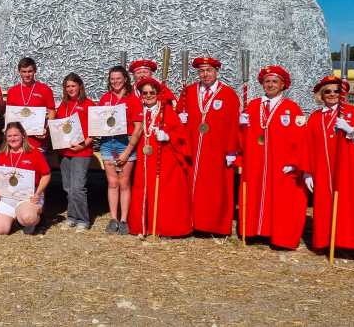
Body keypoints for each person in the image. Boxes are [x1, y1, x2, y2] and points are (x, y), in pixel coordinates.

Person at [306, 76, 354, 259]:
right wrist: (307, 172)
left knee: (353, 208)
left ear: (343, 93)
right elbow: (307, 145)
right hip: (325, 173)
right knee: (326, 207)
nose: (332, 94)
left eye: (336, 91)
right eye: (327, 91)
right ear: (321, 95)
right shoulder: (316, 118)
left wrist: (352, 131)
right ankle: (331, 242)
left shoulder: (353, 113)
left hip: (350, 172)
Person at [238, 65, 309, 249]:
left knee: (280, 199)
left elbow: (300, 138)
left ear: (283, 85)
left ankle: (278, 236)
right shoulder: (253, 105)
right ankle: (253, 231)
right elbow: (241, 137)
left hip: (280, 163)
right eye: (267, 81)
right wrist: (242, 126)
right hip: (256, 162)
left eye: (274, 81)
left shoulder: (291, 108)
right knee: (254, 194)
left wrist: (294, 162)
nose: (270, 85)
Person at [119, 77, 192, 237]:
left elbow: (181, 136)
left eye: (152, 92)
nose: (148, 95)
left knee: (163, 193)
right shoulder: (139, 111)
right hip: (144, 160)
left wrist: (168, 136)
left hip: (165, 160)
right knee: (142, 190)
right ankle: (143, 226)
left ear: (158, 93)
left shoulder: (167, 111)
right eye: (144, 93)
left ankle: (164, 228)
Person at [177, 57, 240, 235]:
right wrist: (180, 119)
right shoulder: (188, 92)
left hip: (216, 150)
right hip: (193, 147)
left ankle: (213, 225)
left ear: (216, 71)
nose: (205, 74)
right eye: (202, 71)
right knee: (191, 186)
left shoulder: (228, 94)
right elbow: (178, 119)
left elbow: (233, 124)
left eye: (209, 70)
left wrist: (231, 150)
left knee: (214, 188)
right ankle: (192, 223)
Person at [97, 66, 141, 234]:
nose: (115, 81)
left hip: (125, 144)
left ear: (125, 79)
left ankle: (124, 220)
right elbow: (98, 123)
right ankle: (113, 218)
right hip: (108, 144)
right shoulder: (105, 98)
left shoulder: (132, 99)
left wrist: (127, 151)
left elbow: (138, 127)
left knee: (124, 183)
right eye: (112, 79)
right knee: (113, 183)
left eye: (118, 78)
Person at [0, 122, 51, 235]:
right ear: (6, 138)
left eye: (16, 135)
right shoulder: (2, 154)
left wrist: (38, 193)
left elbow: (46, 174)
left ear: (23, 135)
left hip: (27, 197)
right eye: (9, 136)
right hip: (6, 197)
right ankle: (14, 219)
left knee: (28, 218)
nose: (13, 138)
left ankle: (25, 219)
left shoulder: (34, 152)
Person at [56, 73, 94, 231]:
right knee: (68, 187)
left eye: (73, 85)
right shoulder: (63, 105)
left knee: (78, 187)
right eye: (67, 86)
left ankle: (83, 219)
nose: (70, 89)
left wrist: (83, 145)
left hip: (81, 152)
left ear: (80, 86)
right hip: (65, 153)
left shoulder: (88, 104)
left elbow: (94, 130)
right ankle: (71, 217)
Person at [5, 57, 56, 151]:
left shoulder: (45, 90)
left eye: (30, 71)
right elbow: (9, 116)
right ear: (19, 72)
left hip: (38, 143)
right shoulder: (12, 91)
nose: (27, 74)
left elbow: (51, 112)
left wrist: (46, 129)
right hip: (18, 143)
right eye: (24, 71)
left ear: (35, 71)